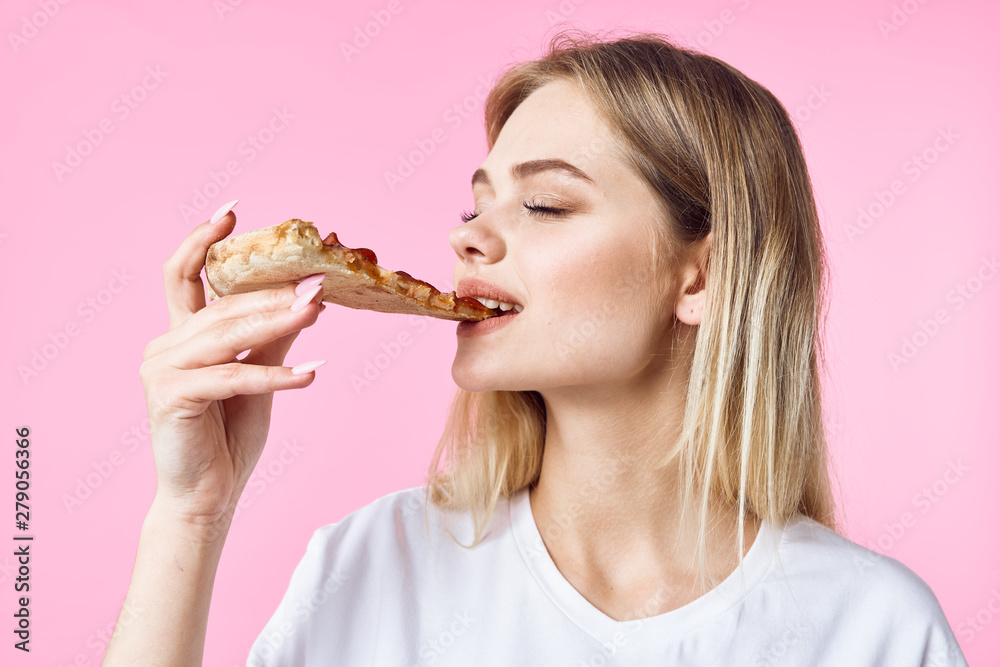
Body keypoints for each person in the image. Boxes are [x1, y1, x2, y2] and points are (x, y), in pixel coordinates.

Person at [103, 29, 968, 666]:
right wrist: (191, 512)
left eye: (545, 205)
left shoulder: (873, 629)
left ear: (701, 277)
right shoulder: (373, 565)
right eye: (478, 203)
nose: (467, 237)